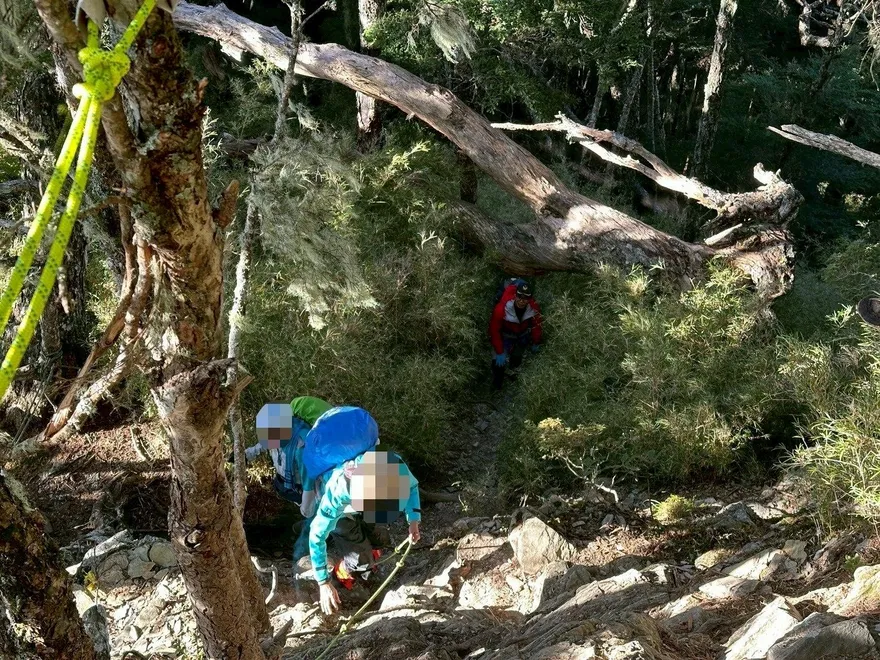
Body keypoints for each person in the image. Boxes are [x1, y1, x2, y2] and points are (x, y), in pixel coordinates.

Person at [307, 449, 421, 615]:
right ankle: (342, 573)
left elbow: (412, 487)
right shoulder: (337, 492)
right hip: (342, 512)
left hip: (363, 501)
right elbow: (316, 536)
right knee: (360, 559)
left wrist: (413, 521)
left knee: (381, 537)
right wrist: (323, 582)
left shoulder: (395, 467)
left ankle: (368, 557)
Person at [243, 396, 332, 519]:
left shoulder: (302, 446)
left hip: (304, 489)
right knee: (305, 507)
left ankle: (341, 532)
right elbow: (266, 443)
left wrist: (306, 509)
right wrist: (248, 454)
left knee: (320, 514)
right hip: (289, 485)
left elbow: (309, 483)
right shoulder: (279, 431)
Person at [488, 279, 542, 389]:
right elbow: (494, 330)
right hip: (505, 336)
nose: (522, 300)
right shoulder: (502, 308)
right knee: (497, 364)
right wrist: (499, 351)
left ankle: (513, 370)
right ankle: (497, 386)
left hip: (522, 335)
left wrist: (536, 341)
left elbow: (537, 325)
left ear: (530, 298)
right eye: (520, 296)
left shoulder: (533, 308)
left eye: (526, 298)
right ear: (515, 295)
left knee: (517, 358)